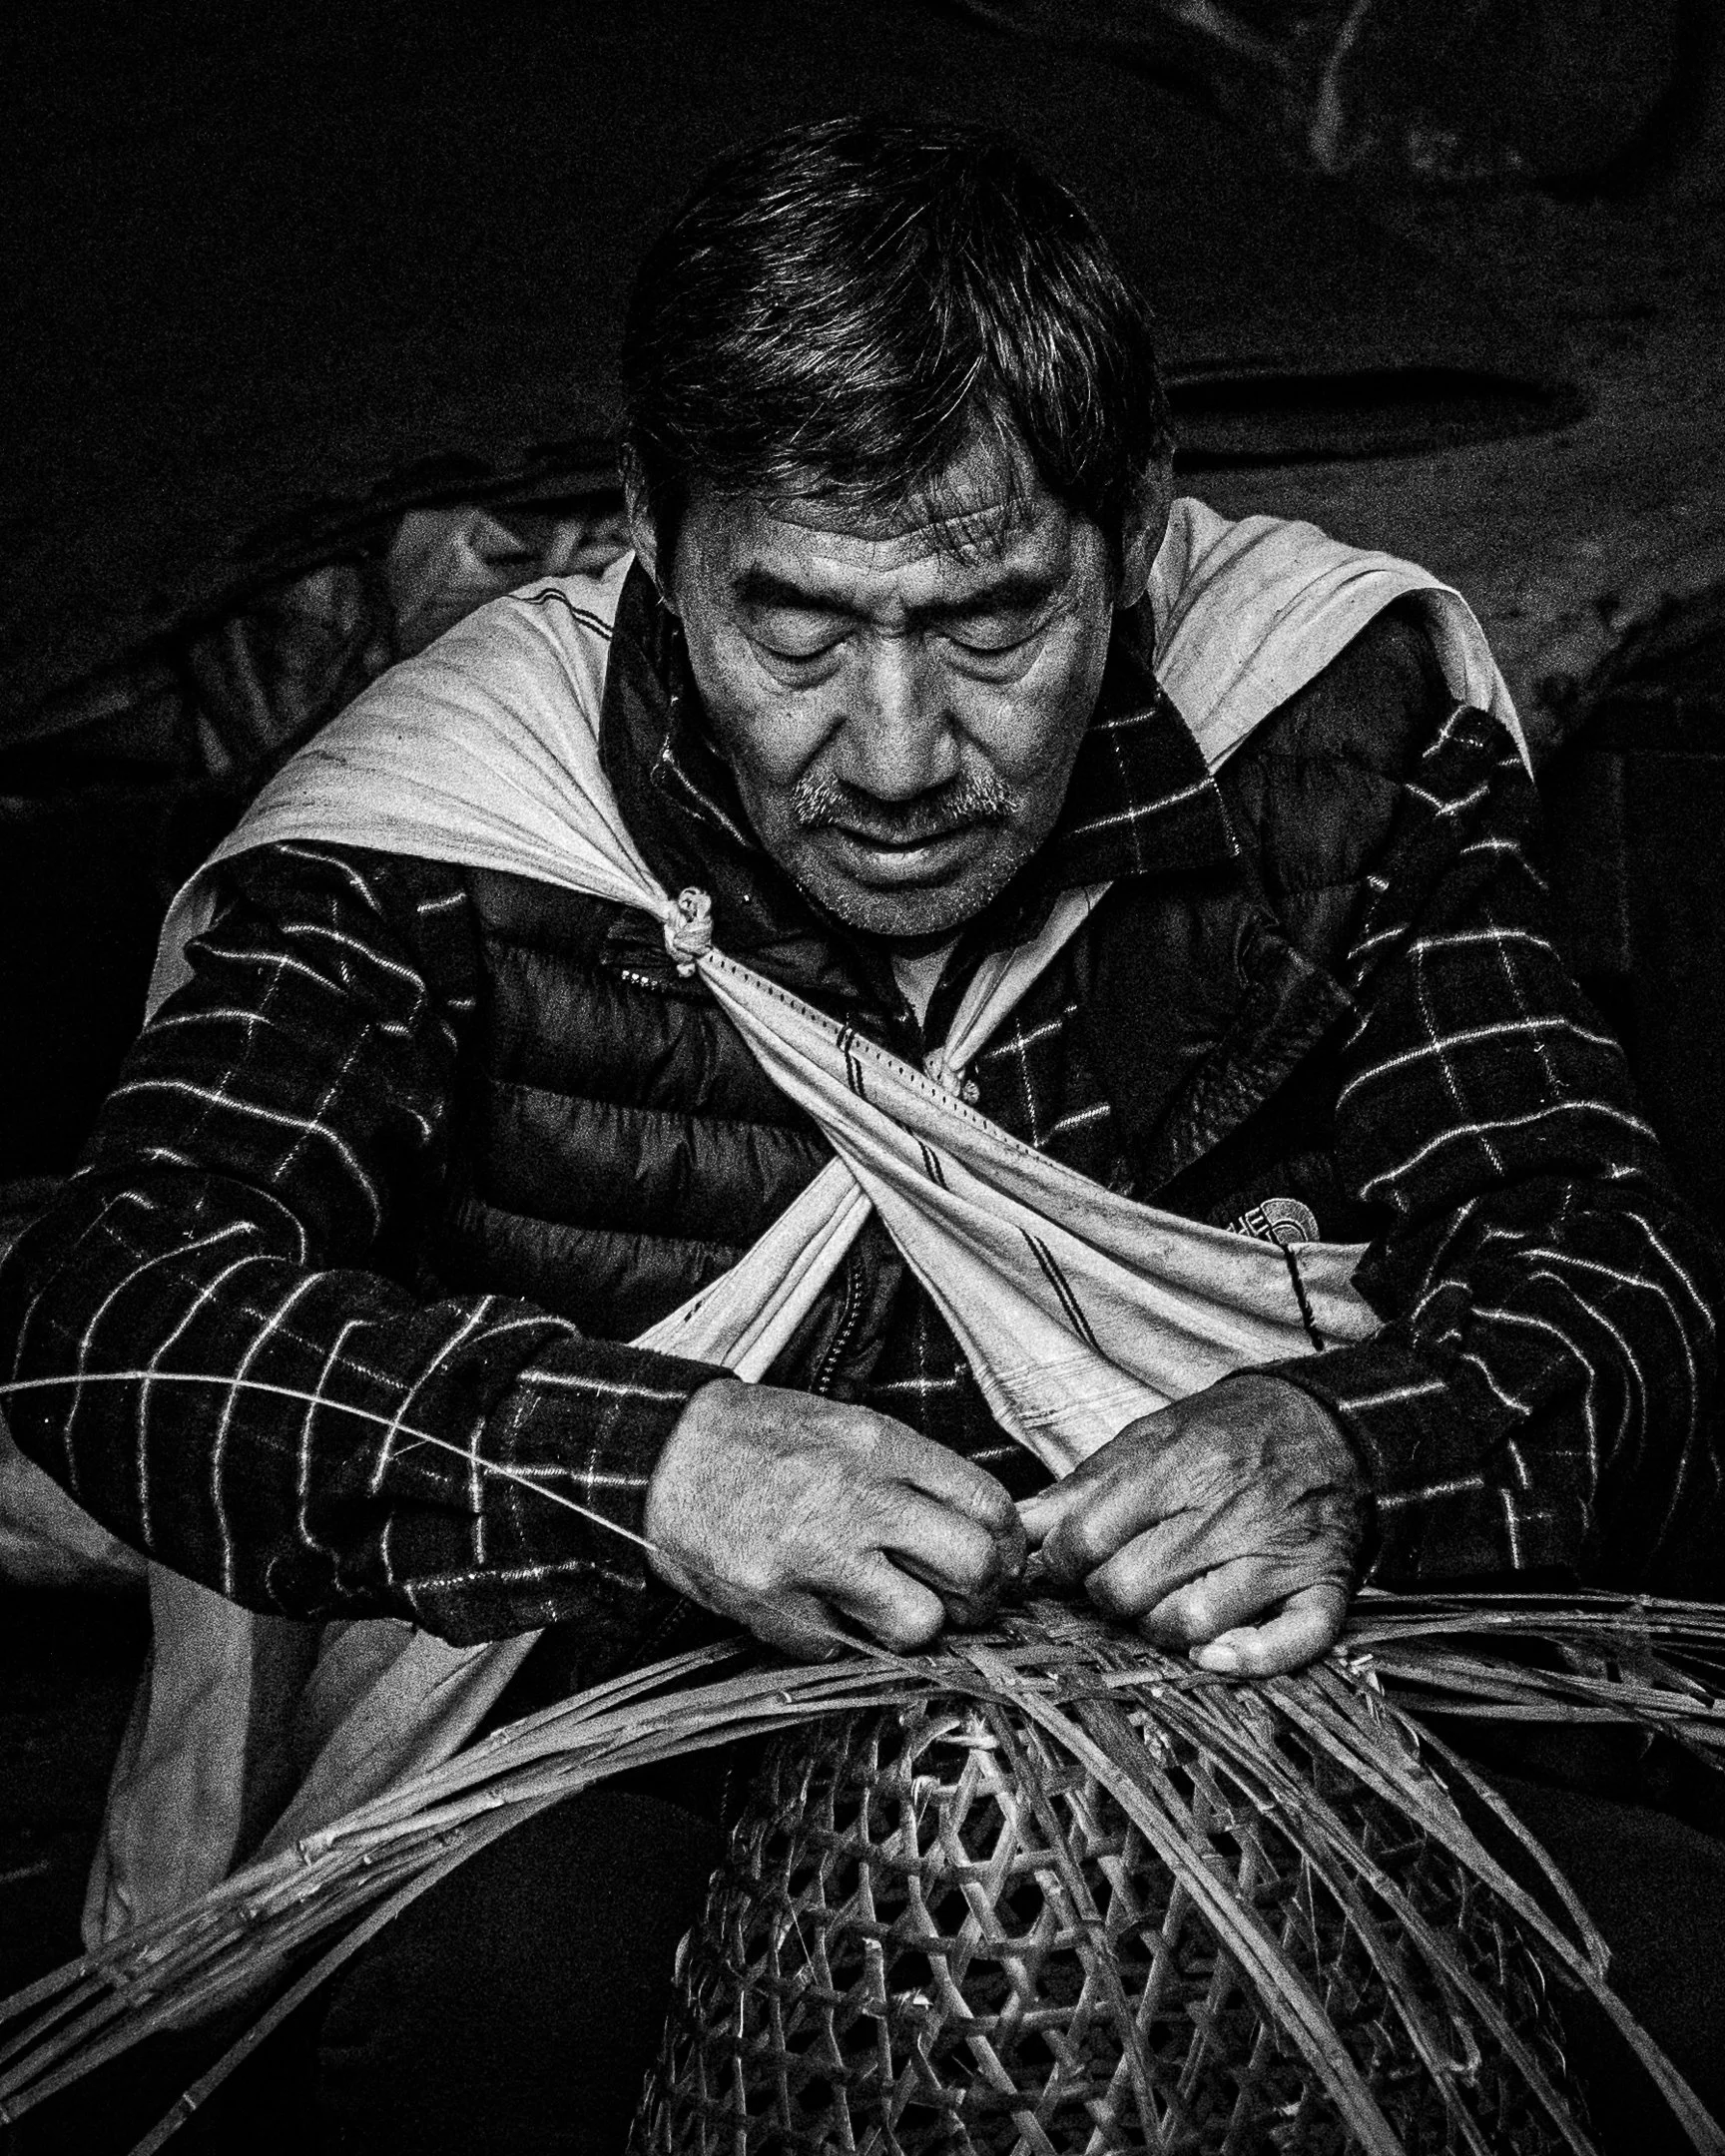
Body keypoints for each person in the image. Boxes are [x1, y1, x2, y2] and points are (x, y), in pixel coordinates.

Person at [2, 115, 1720, 2154]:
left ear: (1137, 526)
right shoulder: (452, 835)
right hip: (646, 1737)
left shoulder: (1321, 732)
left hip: (1281, 1706)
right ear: (652, 527)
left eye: (996, 624)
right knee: (463, 2016)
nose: (898, 757)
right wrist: (657, 1464)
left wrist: (1352, 1446)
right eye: (797, 630)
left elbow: (1611, 1274)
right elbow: (118, 1319)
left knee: (1678, 1988)